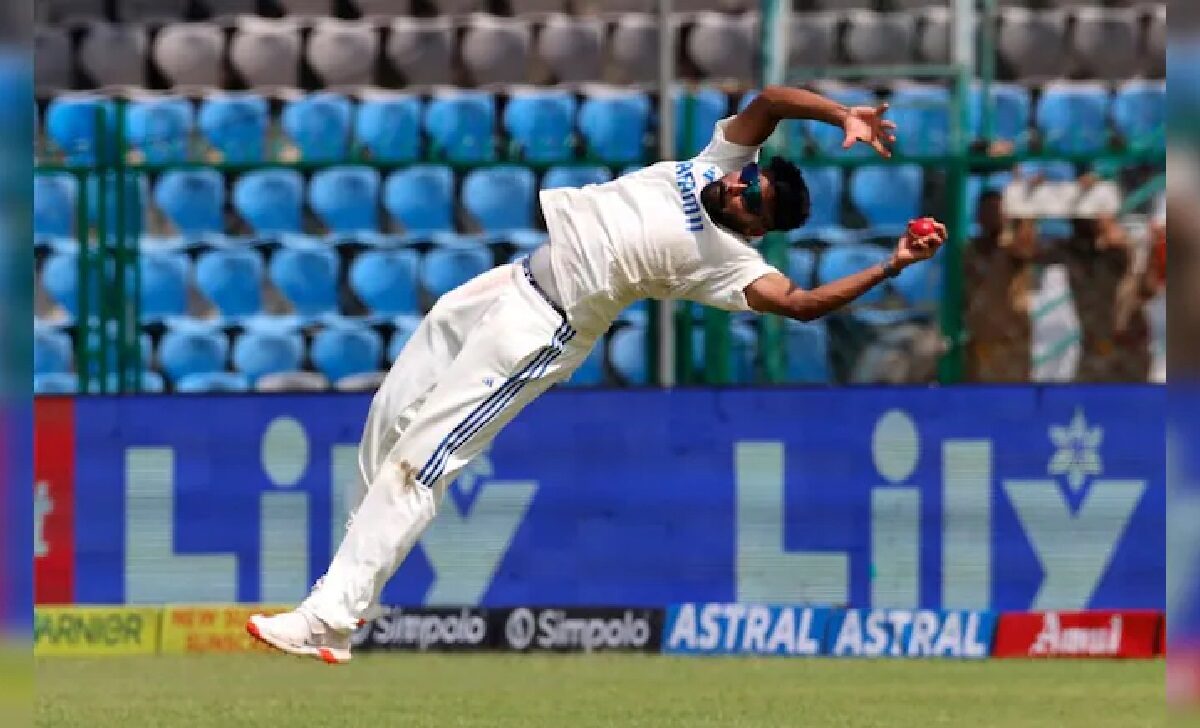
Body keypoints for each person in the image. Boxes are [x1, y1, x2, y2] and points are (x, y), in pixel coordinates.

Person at [246, 85, 948, 663]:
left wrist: (890, 266)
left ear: (756, 226)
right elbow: (768, 101)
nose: (742, 182)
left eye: (752, 195)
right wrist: (844, 115)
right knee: (391, 415)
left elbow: (799, 305)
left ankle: (326, 612)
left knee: (423, 462)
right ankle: (348, 605)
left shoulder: (731, 261)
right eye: (752, 174)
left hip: (543, 328)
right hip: (512, 281)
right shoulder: (715, 162)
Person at [962, 190, 1038, 382]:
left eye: (996, 210)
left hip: (1010, 347)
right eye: (986, 211)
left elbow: (1026, 247)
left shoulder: (1012, 249)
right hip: (978, 346)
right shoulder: (969, 251)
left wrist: (1024, 206)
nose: (991, 216)